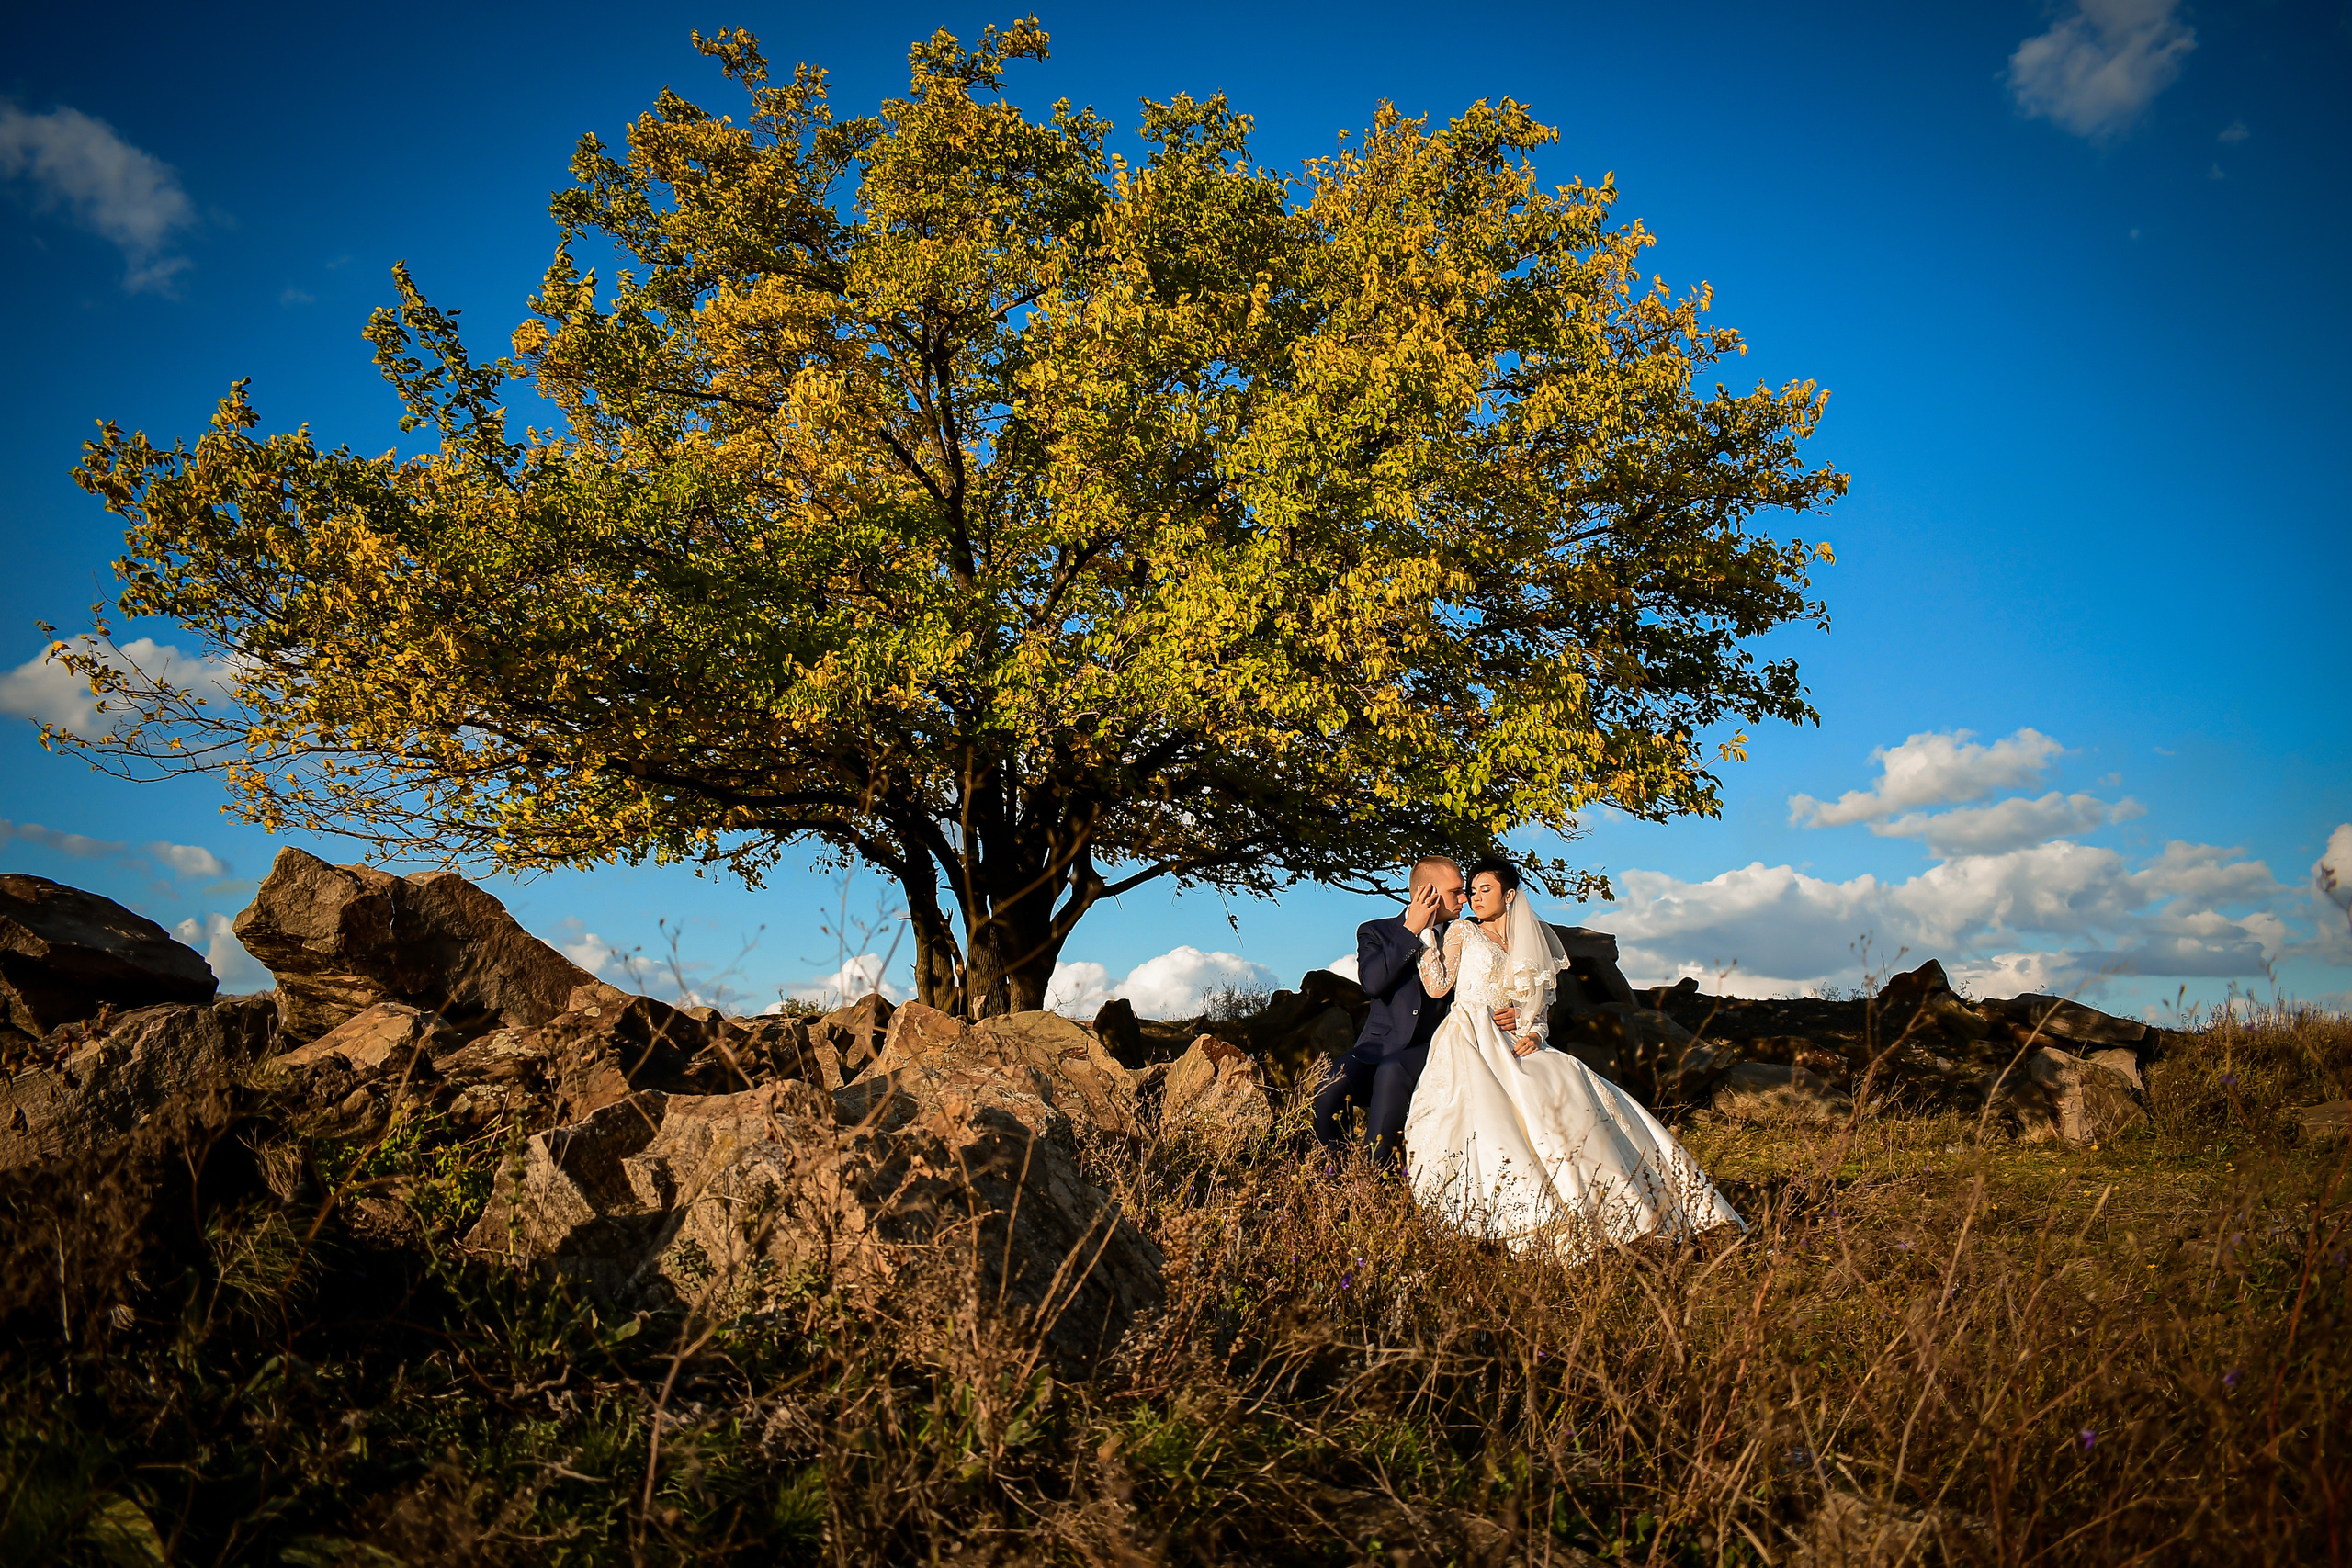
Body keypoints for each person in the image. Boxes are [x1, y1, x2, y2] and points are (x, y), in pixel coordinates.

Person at [1400, 857, 1742, 1258]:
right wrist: (1424, 935)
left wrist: (1533, 1030)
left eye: (1484, 889)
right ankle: (1496, 1220)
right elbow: (1438, 987)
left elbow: (1539, 1010)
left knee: (1568, 1089)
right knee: (1479, 1119)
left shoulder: (1530, 939)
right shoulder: (1461, 931)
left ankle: (1616, 1209)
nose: (1474, 897)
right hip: (1469, 1036)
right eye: (1471, 890)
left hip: (1515, 1041)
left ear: (1510, 896)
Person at [1313, 855, 1519, 1169]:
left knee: (1393, 1072)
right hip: (1375, 1049)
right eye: (1456, 891)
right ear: (1428, 893)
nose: (1465, 898)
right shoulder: (1376, 932)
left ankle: (1374, 1181)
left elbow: (1494, 983)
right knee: (1329, 1087)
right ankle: (1333, 1174)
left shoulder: (1466, 935)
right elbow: (1373, 983)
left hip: (1438, 1047)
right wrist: (1411, 930)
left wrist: (1515, 1011)